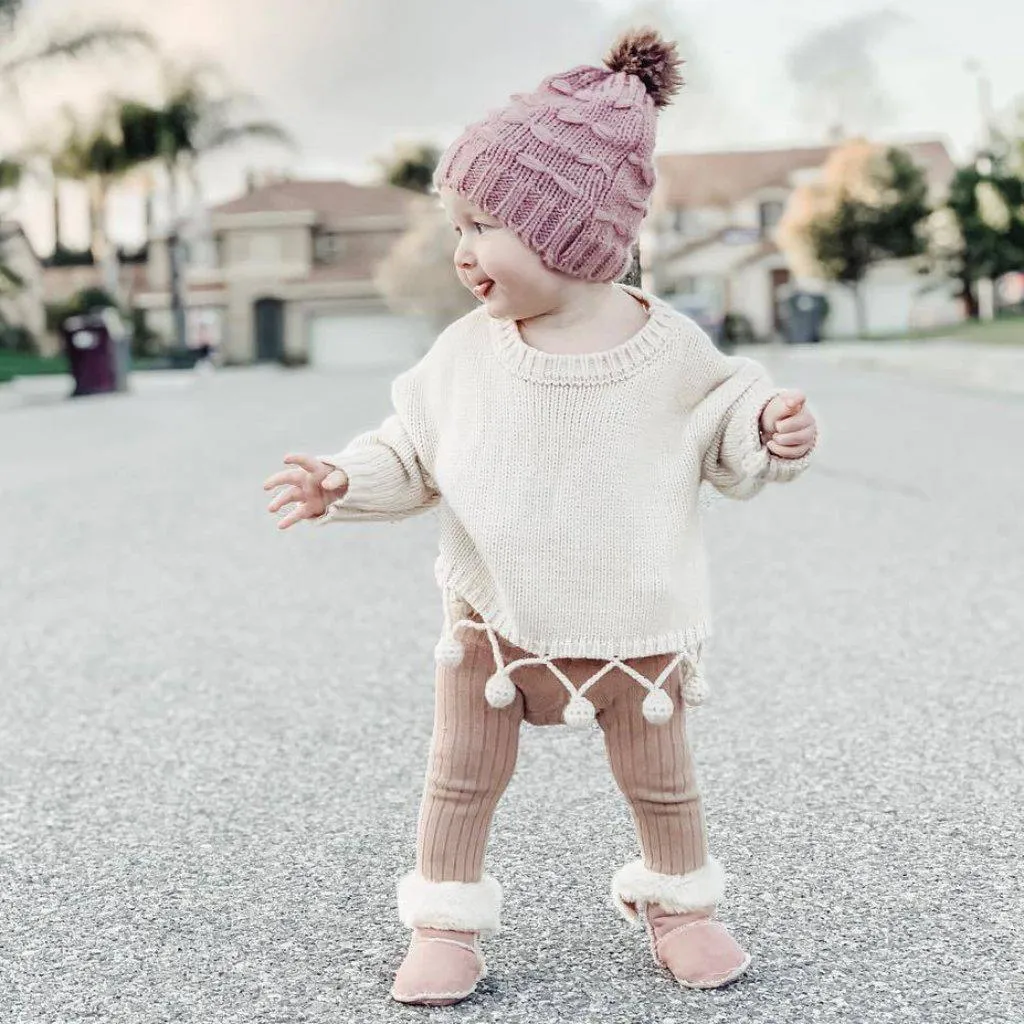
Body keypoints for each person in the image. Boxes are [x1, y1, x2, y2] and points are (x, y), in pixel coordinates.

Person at [262, 28, 818, 1006]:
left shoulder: (671, 349)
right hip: (494, 627)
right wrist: (344, 481)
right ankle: (442, 921)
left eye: (483, 224)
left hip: (633, 632)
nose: (462, 250)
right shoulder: (466, 354)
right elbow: (412, 447)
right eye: (459, 225)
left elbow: (727, 419)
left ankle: (678, 904)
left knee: (661, 782)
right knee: (461, 780)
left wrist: (768, 430)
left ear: (565, 233)